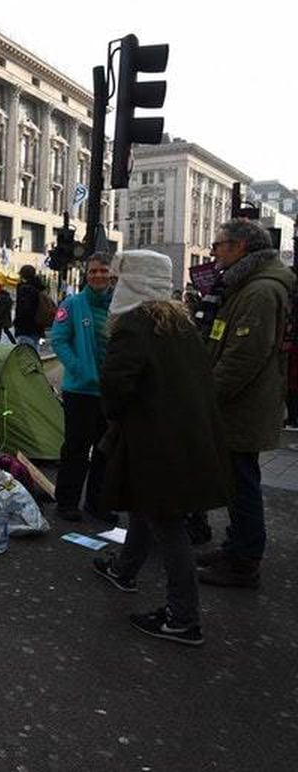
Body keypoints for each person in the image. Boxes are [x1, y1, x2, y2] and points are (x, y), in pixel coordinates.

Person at [91, 250, 232, 647]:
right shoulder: (180, 323)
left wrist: (114, 415)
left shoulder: (134, 325)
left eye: (120, 278)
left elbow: (116, 386)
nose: (114, 284)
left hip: (155, 437)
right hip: (182, 434)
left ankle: (183, 616)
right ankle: (125, 569)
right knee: (146, 505)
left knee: (167, 524)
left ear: (133, 282)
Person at [197, 219, 295, 589]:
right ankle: (237, 547)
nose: (213, 251)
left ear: (239, 247)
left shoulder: (260, 291)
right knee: (236, 481)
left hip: (243, 406)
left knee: (242, 484)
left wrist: (207, 398)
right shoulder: (246, 285)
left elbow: (243, 357)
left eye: (219, 244)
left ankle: (243, 561)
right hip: (240, 404)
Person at [51, 253, 115, 523]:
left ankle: (97, 503)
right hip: (81, 390)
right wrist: (78, 367)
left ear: (112, 275)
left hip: (111, 391)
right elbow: (59, 340)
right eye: (93, 272)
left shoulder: (119, 306)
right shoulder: (73, 304)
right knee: (77, 448)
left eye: (103, 271)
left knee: (105, 450)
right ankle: (67, 502)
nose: (98, 276)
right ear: (86, 275)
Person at [14, 265, 50, 348]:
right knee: (33, 355)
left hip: (25, 328)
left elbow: (24, 310)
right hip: (37, 328)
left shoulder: (25, 289)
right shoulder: (38, 288)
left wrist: (17, 322)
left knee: (25, 355)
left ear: (23, 275)